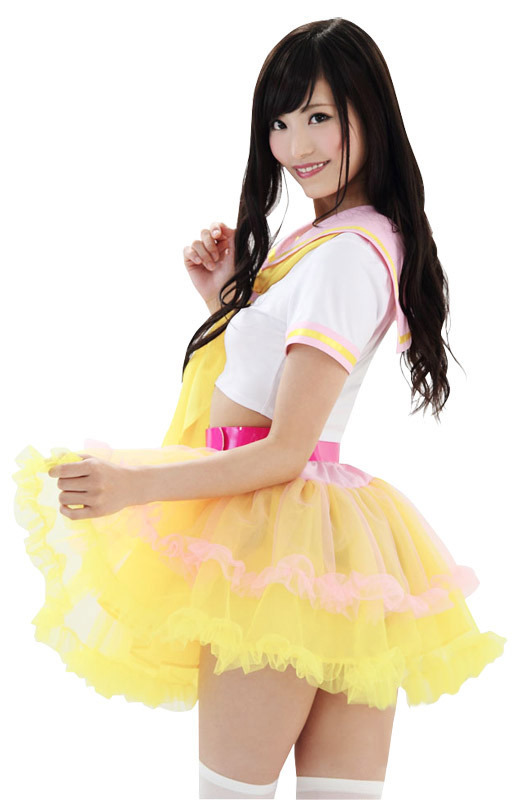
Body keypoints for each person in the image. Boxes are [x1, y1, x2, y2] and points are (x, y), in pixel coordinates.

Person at [12, 17, 507, 800]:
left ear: (370, 112)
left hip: (274, 541)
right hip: (330, 550)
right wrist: (229, 304)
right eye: (279, 122)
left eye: (318, 116)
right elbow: (278, 379)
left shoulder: (344, 254)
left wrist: (132, 486)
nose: (294, 145)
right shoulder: (342, 237)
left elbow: (282, 449)